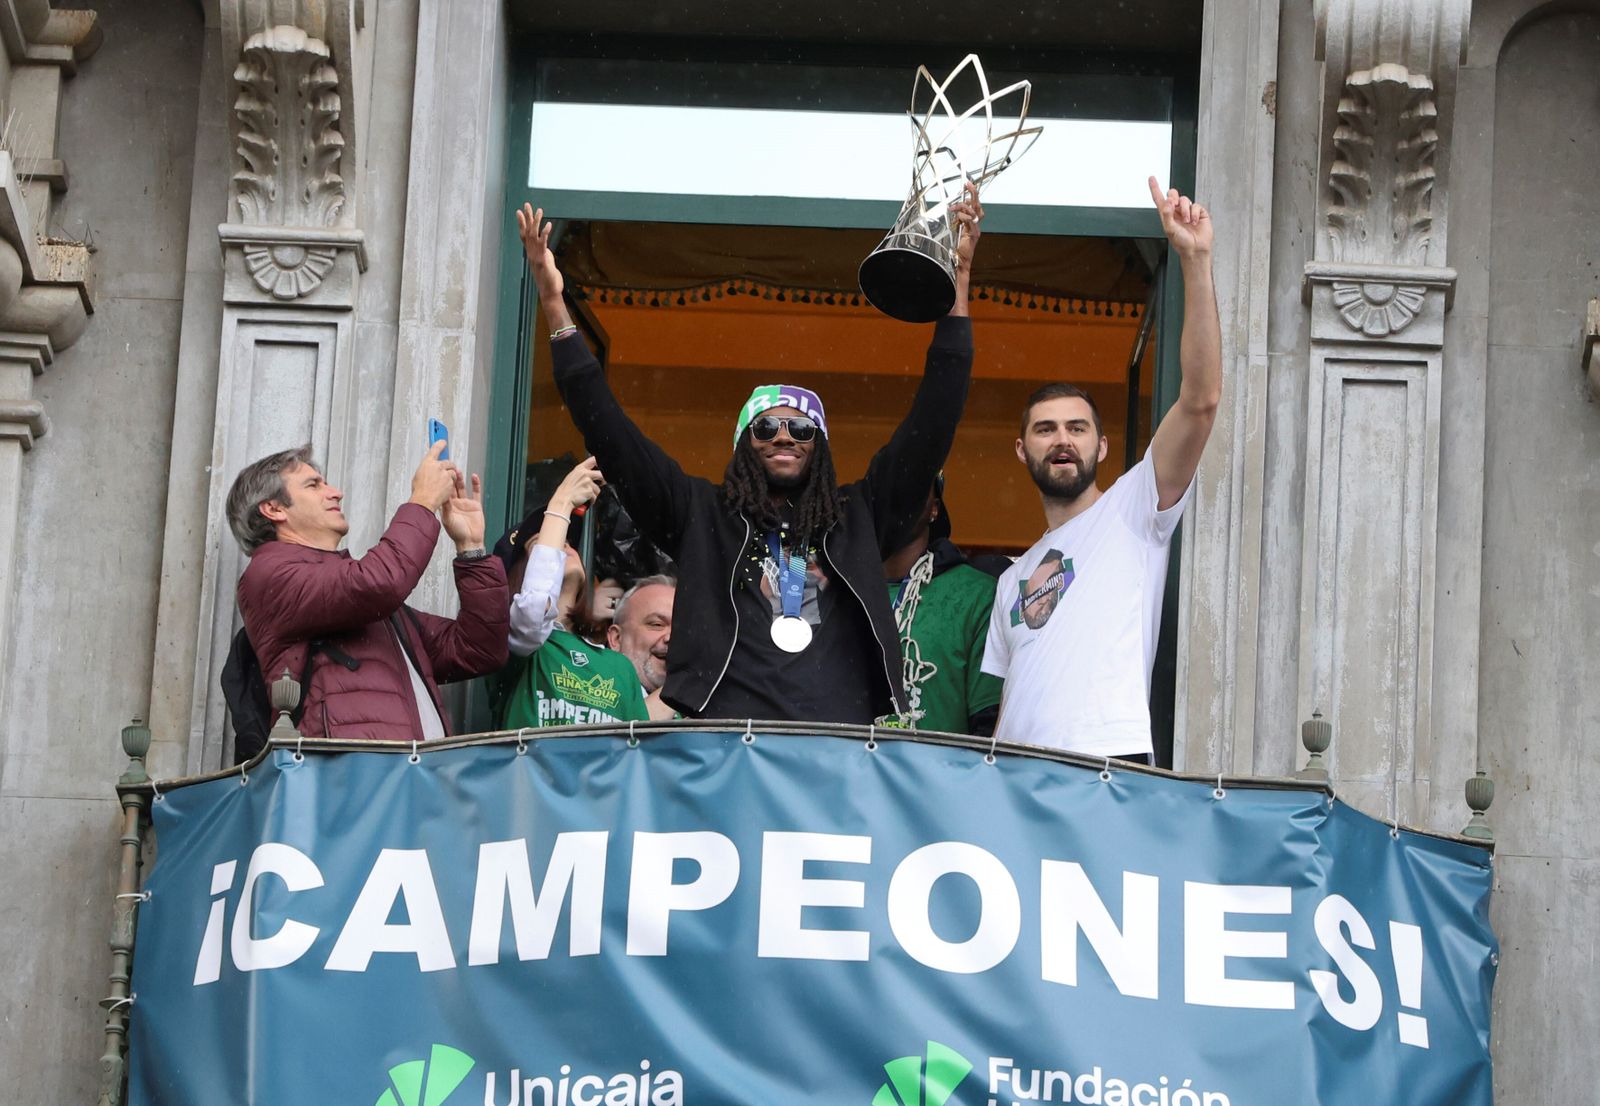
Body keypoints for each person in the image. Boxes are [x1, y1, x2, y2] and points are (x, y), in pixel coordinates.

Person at [515, 184, 984, 724]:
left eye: (802, 428)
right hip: (725, 751)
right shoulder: (701, 514)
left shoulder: (859, 517)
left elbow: (934, 422)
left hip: (835, 749)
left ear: (821, 447)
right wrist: (555, 305)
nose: (784, 435)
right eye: (766, 426)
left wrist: (957, 293)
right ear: (743, 443)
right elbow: (610, 434)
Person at [982, 178, 1222, 762]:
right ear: (1022, 450)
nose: (1061, 440)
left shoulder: (1135, 507)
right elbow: (1015, 695)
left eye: (1077, 428)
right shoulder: (1011, 580)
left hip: (1104, 766)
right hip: (1015, 780)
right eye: (1045, 429)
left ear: (1102, 448)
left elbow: (1200, 399)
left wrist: (1193, 260)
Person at [229, 441, 509, 741]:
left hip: (417, 778)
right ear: (274, 509)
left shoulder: (366, 598)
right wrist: (423, 501)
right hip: (351, 780)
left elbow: (479, 651)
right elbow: (380, 582)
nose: (336, 492)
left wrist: (472, 550)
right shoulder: (269, 574)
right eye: (314, 485)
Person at [493, 457, 648, 728]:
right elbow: (531, 614)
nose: (562, 547)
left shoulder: (618, 666)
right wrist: (562, 503)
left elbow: (641, 747)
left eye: (566, 541)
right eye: (543, 545)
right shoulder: (512, 643)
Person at [883, 476, 1003, 737]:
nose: (899, 498)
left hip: (940, 775)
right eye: (886, 484)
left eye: (914, 485)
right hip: (851, 772)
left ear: (934, 507)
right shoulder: (842, 590)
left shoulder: (977, 593)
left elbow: (989, 723)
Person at [606, 575, 677, 721]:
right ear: (616, 639)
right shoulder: (591, 695)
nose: (671, 637)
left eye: (681, 629)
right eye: (657, 625)